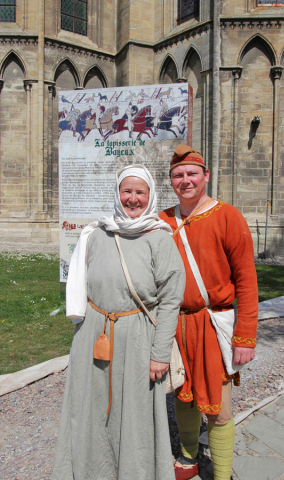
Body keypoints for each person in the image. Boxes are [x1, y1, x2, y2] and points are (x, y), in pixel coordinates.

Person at [52, 164, 186, 480]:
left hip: (138, 339)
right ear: (117, 193)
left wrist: (159, 354)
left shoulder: (160, 239)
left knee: (135, 417)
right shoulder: (96, 234)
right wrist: (80, 329)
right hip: (92, 337)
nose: (133, 199)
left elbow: (170, 302)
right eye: (127, 191)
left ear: (150, 196)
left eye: (140, 192)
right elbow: (79, 283)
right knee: (90, 410)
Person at [159, 145, 259, 480]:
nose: (185, 180)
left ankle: (222, 473)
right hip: (174, 325)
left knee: (219, 407)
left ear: (205, 176)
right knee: (183, 396)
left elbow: (246, 280)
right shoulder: (161, 221)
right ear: (171, 180)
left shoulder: (228, 216)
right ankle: (188, 456)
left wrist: (245, 337)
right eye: (178, 175)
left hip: (214, 324)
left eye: (191, 173)